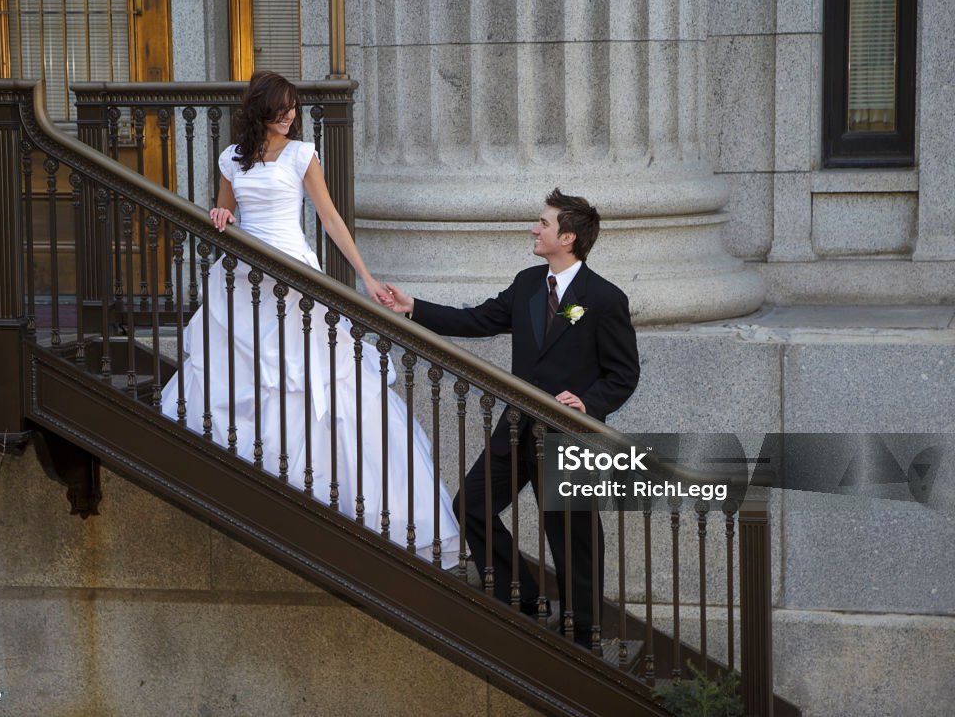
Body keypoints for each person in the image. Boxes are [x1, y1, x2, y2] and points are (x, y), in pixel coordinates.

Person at [160, 71, 459, 566]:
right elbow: (224, 210)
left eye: (294, 108)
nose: (290, 116)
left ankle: (332, 497)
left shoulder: (302, 154)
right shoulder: (232, 159)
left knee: (319, 381)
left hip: (294, 274)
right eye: (281, 108)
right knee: (244, 375)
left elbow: (330, 218)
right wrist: (220, 216)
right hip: (244, 277)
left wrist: (364, 276)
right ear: (260, 109)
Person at [386, 189, 640, 647]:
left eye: (542, 224)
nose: (533, 229)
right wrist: (414, 307)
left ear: (568, 237)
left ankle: (585, 633)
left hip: (566, 437)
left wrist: (588, 401)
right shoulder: (527, 283)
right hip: (517, 427)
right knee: (470, 505)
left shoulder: (603, 298)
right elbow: (479, 319)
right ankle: (518, 593)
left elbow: (624, 374)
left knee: (572, 535)